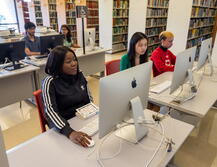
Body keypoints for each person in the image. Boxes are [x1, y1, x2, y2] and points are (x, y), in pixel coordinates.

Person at [42, 46, 93, 147]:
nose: (74, 64)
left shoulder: (79, 74)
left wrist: (93, 114)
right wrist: (69, 132)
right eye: (68, 62)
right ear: (58, 65)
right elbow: (50, 111)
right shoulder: (50, 82)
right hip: (64, 125)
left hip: (82, 119)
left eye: (74, 59)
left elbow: (89, 98)